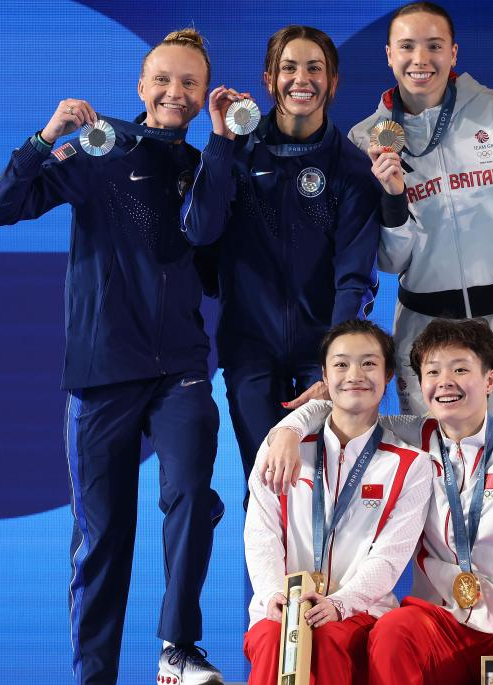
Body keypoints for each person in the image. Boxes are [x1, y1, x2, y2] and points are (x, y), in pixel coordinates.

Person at [0, 29, 225, 685]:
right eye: (163, 80)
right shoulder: (99, 148)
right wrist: (44, 139)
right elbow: (1, 207)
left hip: (180, 368)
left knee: (191, 495)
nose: (175, 92)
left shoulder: (206, 164)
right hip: (102, 372)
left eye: (190, 83)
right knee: (102, 538)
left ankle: (178, 647)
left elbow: (212, 263)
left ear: (204, 94)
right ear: (142, 87)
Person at [264, 318, 493, 685]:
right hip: (439, 624)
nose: (445, 382)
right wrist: (289, 430)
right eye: (433, 371)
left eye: (460, 369)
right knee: (392, 630)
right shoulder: (412, 434)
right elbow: (345, 408)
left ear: (490, 379)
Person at [181, 25, 381, 485]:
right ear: (269, 79)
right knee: (264, 485)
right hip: (250, 347)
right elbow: (200, 230)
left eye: (315, 68)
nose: (301, 79)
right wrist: (220, 143)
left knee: (326, 489)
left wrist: (337, 361)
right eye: (289, 68)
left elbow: (354, 275)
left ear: (332, 81)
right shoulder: (235, 153)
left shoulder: (352, 168)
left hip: (322, 351)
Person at [351, 1, 493, 425]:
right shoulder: (366, 139)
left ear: (453, 53)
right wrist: (393, 198)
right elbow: (390, 261)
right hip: (423, 328)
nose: (420, 59)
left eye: (434, 46)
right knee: (431, 458)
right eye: (407, 46)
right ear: (389, 54)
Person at [243, 319, 431, 685]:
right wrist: (272, 595)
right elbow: (261, 534)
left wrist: (342, 603)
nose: (355, 375)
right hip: (282, 606)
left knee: (329, 639)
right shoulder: (282, 448)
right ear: (325, 378)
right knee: (271, 638)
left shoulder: (411, 465)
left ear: (388, 375)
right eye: (341, 364)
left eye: (369, 363)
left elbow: (390, 556)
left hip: (360, 611)